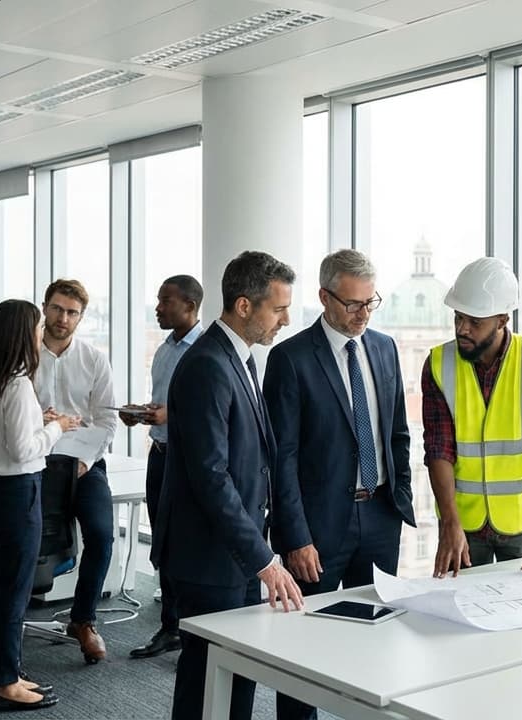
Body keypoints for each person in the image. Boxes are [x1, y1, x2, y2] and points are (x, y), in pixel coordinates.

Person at [264, 250, 416, 720]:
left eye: (371, 302)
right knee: (305, 646)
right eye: (352, 304)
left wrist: (400, 499)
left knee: (377, 639)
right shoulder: (290, 359)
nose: (363, 314)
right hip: (318, 528)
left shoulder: (384, 348)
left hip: (380, 516)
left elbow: (397, 433)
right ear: (324, 297)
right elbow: (281, 460)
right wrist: (295, 537)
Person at [154, 251, 304, 720]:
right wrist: (264, 561)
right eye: (278, 309)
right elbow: (211, 477)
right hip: (207, 560)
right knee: (205, 686)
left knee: (235, 679)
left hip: (231, 556)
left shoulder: (237, 358)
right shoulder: (208, 365)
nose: (285, 320)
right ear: (243, 306)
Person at [0, 299, 79, 712]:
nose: (41, 333)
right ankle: (4, 683)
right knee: (15, 591)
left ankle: (8, 673)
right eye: (37, 327)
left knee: (7, 588)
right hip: (17, 492)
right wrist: (57, 427)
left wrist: (36, 421)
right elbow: (23, 451)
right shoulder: (17, 385)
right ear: (21, 334)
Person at [424, 257, 522, 579]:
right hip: (461, 523)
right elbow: (438, 449)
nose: (462, 328)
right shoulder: (438, 364)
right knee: (458, 603)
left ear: (503, 319)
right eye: (458, 317)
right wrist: (449, 523)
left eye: (474, 322)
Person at [32, 279, 121, 664]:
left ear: (81, 317)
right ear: (44, 308)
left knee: (101, 536)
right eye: (57, 308)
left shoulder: (94, 360)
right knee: (27, 542)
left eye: (72, 313)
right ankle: (11, 616)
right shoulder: (24, 356)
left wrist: (84, 461)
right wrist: (38, 420)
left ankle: (83, 619)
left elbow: (107, 420)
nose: (63, 318)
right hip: (34, 463)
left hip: (84, 464)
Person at [126, 274, 204, 660]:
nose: (157, 308)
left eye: (165, 301)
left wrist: (169, 415)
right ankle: (171, 627)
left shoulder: (205, 351)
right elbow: (163, 403)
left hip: (187, 461)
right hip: (159, 456)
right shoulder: (164, 350)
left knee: (188, 545)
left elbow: (209, 410)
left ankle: (194, 633)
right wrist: (142, 413)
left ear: (189, 305)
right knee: (163, 543)